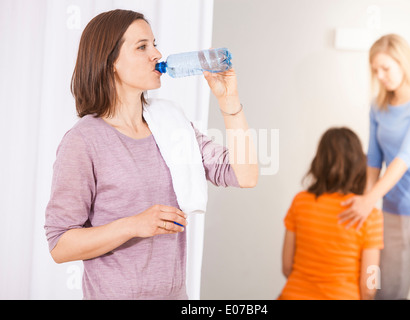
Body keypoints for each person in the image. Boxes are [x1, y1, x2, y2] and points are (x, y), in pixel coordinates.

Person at [44, 9, 258, 300]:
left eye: (154, 44)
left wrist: (229, 100)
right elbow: (60, 245)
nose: (157, 54)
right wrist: (133, 225)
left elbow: (244, 175)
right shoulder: (83, 141)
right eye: (142, 47)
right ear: (110, 63)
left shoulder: (172, 123)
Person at [338, 34, 410, 300]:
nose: (381, 76)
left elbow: (406, 155)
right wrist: (368, 203)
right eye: (375, 70)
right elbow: (374, 160)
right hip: (393, 212)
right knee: (385, 293)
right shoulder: (378, 107)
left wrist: (369, 200)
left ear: (403, 63)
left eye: (385, 68)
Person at [278, 127, 383, 300]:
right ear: (358, 163)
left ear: (319, 162)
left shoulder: (300, 202)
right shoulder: (370, 215)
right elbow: (370, 285)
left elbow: (287, 266)